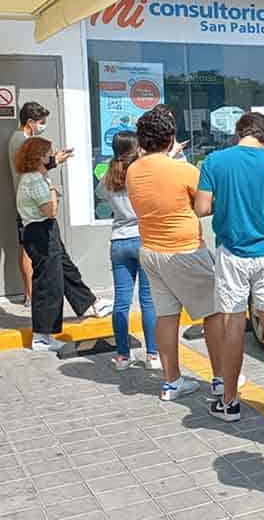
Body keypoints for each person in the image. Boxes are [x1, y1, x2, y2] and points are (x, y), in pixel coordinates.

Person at [193, 112, 264, 424]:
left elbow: (201, 208)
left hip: (232, 253)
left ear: (238, 133)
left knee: (233, 324)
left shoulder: (215, 162)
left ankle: (229, 401)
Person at [126, 106, 224, 402]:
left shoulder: (133, 170)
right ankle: (220, 379)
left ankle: (171, 382)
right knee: (214, 313)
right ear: (171, 138)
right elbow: (206, 205)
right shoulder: (184, 170)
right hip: (185, 250)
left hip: (151, 252)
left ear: (142, 141)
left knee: (166, 316)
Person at [15, 138, 106, 352]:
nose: (51, 156)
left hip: (43, 231)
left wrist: (57, 161)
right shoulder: (36, 181)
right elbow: (50, 211)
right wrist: (53, 190)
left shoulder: (34, 176)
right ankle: (42, 335)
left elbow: (46, 169)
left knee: (65, 269)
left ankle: (89, 302)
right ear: (39, 157)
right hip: (40, 231)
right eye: (49, 154)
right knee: (49, 283)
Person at [96, 131, 159, 372]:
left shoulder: (108, 176)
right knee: (147, 300)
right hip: (142, 238)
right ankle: (152, 354)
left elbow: (102, 198)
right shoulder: (141, 174)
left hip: (118, 242)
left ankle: (123, 356)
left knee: (121, 302)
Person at [8, 101, 76, 308]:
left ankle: (32, 294)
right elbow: (32, 166)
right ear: (30, 122)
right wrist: (54, 162)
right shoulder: (22, 140)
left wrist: (55, 159)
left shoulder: (20, 138)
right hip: (31, 205)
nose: (43, 126)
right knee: (29, 249)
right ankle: (31, 295)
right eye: (41, 122)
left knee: (29, 248)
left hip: (29, 201)